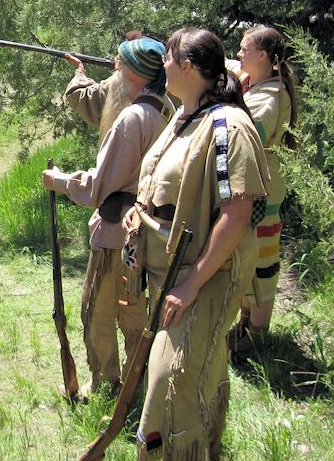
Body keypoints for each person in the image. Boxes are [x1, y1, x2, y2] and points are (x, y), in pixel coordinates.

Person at [124, 28, 269, 460]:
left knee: (172, 382)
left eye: (167, 58)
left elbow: (237, 214)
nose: (161, 67)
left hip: (200, 277)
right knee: (194, 376)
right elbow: (161, 180)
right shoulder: (184, 114)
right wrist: (141, 207)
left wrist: (190, 285)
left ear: (187, 66)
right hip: (165, 270)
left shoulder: (228, 125)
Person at [42, 37, 174, 398]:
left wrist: (61, 182)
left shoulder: (132, 119)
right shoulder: (164, 108)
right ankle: (138, 384)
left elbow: (100, 186)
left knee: (98, 312)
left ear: (131, 72)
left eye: (118, 63)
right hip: (146, 233)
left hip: (119, 233)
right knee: (133, 312)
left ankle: (106, 386)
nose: (113, 68)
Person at [229, 25, 298, 346]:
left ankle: (258, 334)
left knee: (262, 264)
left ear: (264, 56)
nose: (239, 53)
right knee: (247, 258)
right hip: (255, 189)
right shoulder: (255, 82)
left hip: (263, 193)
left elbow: (244, 140)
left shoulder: (268, 100)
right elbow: (228, 64)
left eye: (245, 48)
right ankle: (245, 322)